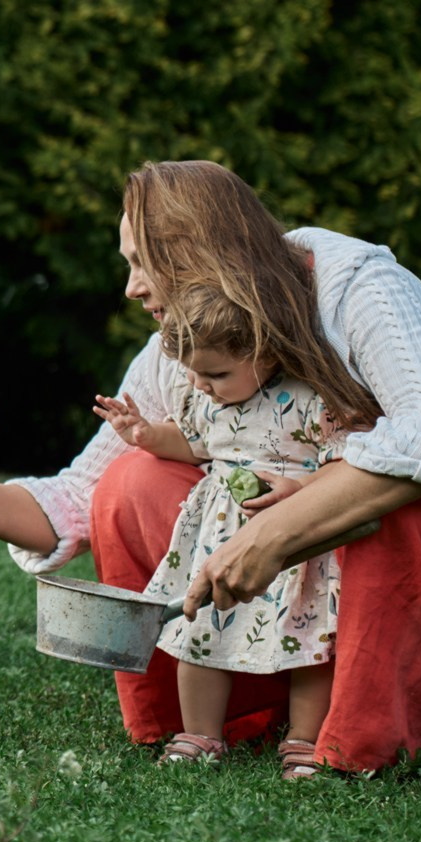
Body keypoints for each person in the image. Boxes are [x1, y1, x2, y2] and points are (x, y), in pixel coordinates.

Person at [0, 160, 421, 770]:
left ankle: (378, 722)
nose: (131, 287)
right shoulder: (179, 350)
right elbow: (83, 493)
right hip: (293, 571)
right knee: (132, 481)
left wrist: (281, 529)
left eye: (141, 262)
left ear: (202, 250)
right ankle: (233, 711)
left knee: (387, 499)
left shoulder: (359, 288)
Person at [93, 283, 353, 776]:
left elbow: (345, 464)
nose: (201, 384)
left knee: (308, 638)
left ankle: (302, 738)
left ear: (267, 350)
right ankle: (201, 732)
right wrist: (146, 436)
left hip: (295, 540)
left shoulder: (311, 399)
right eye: (193, 372)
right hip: (218, 536)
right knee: (201, 628)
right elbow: (194, 447)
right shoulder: (207, 398)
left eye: (215, 373)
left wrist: (300, 490)